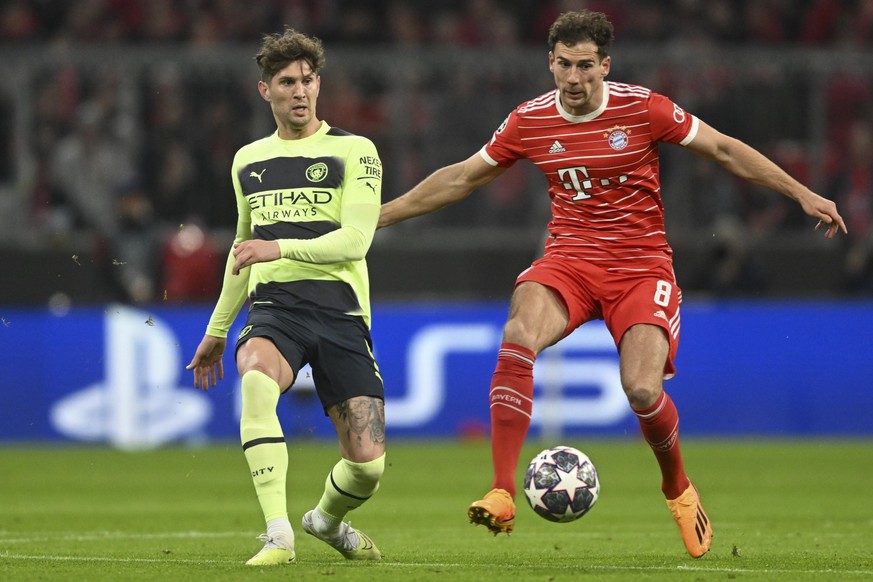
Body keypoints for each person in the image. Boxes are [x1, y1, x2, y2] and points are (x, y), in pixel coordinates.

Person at [378, 10, 847, 559]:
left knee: (642, 390)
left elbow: (721, 148)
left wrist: (800, 193)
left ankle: (677, 487)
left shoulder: (643, 107)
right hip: (569, 262)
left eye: (584, 67)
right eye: (562, 65)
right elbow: (461, 176)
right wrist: (381, 216)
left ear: (605, 65)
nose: (572, 79)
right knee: (518, 329)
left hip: (640, 267)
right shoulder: (529, 120)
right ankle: (502, 489)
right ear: (548, 62)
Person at [187, 26, 386, 566]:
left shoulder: (355, 150)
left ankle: (325, 520)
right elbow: (241, 250)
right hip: (276, 308)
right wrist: (218, 329)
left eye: (307, 80)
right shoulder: (248, 160)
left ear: (319, 85)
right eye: (286, 82)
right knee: (254, 379)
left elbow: (355, 240)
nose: (299, 91)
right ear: (265, 90)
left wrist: (278, 248)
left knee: (368, 465)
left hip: (341, 310)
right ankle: (278, 534)